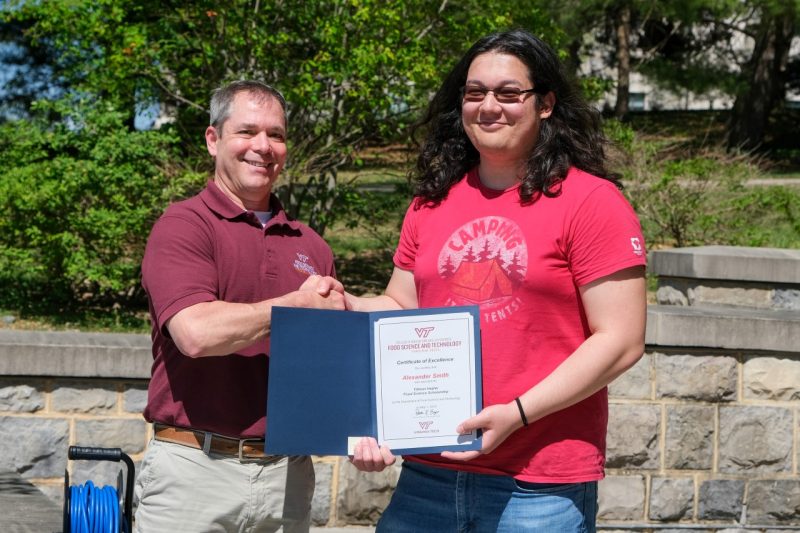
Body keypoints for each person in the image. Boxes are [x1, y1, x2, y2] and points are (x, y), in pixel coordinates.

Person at [342, 29, 647, 532]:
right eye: (474, 92)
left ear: (545, 104)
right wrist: (343, 305)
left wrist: (517, 414)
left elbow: (621, 340)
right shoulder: (431, 202)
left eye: (509, 93)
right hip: (429, 473)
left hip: (540, 482)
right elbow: (401, 307)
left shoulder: (591, 202)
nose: (489, 107)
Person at [134, 80, 346, 532]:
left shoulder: (312, 246)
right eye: (247, 132)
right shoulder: (184, 226)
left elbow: (327, 369)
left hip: (286, 477)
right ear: (214, 140)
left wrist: (368, 428)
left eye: (277, 135)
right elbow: (196, 333)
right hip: (194, 471)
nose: (263, 147)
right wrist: (296, 306)